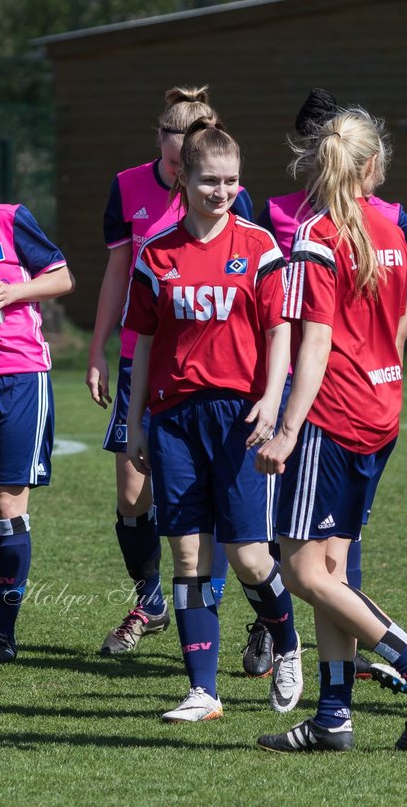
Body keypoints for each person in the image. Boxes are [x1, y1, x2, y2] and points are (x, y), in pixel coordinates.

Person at [123, 119, 301, 723]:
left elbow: (281, 331)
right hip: (173, 418)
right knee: (188, 557)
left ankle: (289, 644)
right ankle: (203, 690)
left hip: (239, 418)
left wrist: (273, 401)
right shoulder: (157, 252)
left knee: (250, 557)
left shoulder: (258, 247)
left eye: (230, 181)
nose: (221, 191)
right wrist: (137, 421)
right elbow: (144, 342)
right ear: (182, 177)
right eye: (208, 180)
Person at [87, 86, 261, 667]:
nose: (169, 173)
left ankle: (211, 612)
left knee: (212, 508)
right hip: (145, 361)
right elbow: (117, 274)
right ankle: (152, 602)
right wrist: (98, 348)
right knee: (133, 497)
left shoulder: (235, 203)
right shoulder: (127, 187)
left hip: (214, 378)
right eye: (165, 161)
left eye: (177, 164)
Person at [255, 107, 407, 753]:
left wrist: (288, 429)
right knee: (333, 568)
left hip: (333, 418)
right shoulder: (393, 230)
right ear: (372, 165)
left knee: (299, 572)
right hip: (381, 412)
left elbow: (313, 347)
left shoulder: (318, 233)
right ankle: (334, 716)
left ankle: (401, 654)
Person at [0, 201, 74, 665]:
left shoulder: (6, 217)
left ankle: (3, 634)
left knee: (8, 507)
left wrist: (14, 292)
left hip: (17, 376)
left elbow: (63, 278)